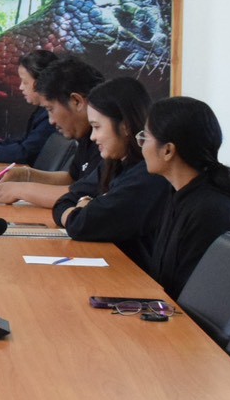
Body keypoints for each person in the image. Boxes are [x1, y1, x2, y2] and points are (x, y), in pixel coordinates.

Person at [141, 97, 230, 299]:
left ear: (168, 150)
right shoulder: (179, 193)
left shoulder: (210, 212)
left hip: (184, 318)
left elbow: (197, 298)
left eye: (145, 137)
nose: (141, 146)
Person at [49, 77, 169, 267]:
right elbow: (64, 202)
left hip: (134, 275)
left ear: (125, 126)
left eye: (97, 127)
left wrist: (81, 210)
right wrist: (83, 205)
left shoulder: (147, 176)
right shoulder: (112, 163)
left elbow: (81, 225)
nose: (93, 137)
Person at [0, 55, 103, 208]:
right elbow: (73, 179)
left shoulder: (107, 141)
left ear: (76, 101)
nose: (51, 121)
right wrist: (24, 175)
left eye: (50, 109)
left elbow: (84, 194)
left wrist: (20, 190)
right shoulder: (85, 135)